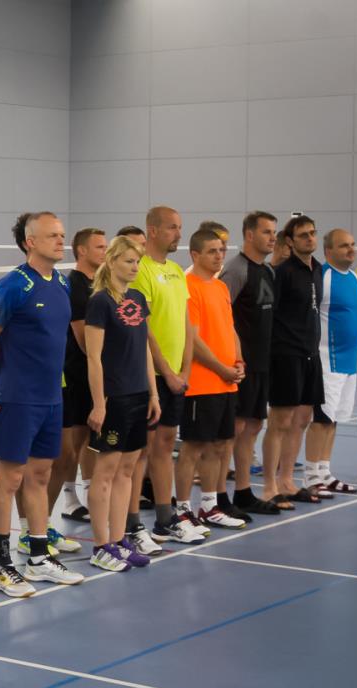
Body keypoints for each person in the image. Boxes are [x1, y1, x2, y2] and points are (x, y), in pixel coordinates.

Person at [0, 212, 85, 596]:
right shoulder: (13, 285)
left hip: (50, 397)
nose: (62, 241)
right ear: (30, 242)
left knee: (41, 476)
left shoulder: (60, 282)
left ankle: (39, 557)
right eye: (53, 236)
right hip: (17, 397)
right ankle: (2, 564)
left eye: (62, 235)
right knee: (9, 479)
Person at [83, 235, 160, 571]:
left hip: (138, 394)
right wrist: (99, 403)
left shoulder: (139, 299)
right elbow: (94, 358)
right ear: (112, 261)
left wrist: (153, 392)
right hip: (114, 398)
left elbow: (143, 348)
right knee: (105, 472)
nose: (135, 267)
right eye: (129, 261)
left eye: (138, 261)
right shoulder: (100, 302)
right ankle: (101, 546)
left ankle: (118, 540)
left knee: (127, 471)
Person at [133, 206, 203, 544]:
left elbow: (188, 324)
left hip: (177, 374)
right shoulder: (141, 270)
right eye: (173, 228)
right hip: (152, 376)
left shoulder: (176, 270)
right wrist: (165, 373)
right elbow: (145, 329)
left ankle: (165, 518)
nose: (178, 233)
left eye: (180, 227)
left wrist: (185, 369)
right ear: (154, 231)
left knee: (163, 446)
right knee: (141, 451)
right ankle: (132, 523)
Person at [176, 230, 247, 530]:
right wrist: (220, 368)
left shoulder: (220, 287)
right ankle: (182, 509)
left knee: (220, 445)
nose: (219, 255)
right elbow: (192, 337)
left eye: (221, 250)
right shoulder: (187, 287)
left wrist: (238, 361)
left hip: (226, 381)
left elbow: (229, 329)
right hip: (202, 383)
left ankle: (209, 506)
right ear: (195, 255)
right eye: (212, 251)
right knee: (194, 448)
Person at [261, 215, 324, 511]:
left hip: (311, 353)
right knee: (280, 421)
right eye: (303, 235)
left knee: (302, 419)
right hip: (286, 354)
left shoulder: (318, 269)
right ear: (291, 241)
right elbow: (270, 316)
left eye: (312, 234)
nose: (310, 239)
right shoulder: (282, 272)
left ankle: (287, 479)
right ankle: (270, 485)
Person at [220, 211, 279, 517]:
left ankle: (243, 492)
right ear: (249, 235)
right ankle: (218, 496)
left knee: (253, 425)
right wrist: (233, 358)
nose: (273, 238)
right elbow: (220, 316)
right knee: (235, 426)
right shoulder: (236, 270)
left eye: (274, 232)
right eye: (267, 232)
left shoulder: (267, 271)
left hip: (262, 363)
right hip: (240, 364)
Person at [52, 227, 106, 526]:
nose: (105, 251)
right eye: (100, 247)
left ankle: (85, 493)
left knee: (89, 439)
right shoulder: (73, 285)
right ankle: (69, 498)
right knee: (70, 445)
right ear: (82, 251)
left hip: (93, 375)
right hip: (73, 372)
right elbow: (84, 340)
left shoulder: (99, 285)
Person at [307, 228, 357, 495]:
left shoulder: (355, 277)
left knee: (334, 419)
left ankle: (325, 471)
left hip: (350, 363)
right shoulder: (323, 278)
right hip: (327, 361)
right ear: (328, 251)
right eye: (344, 246)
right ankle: (310, 476)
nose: (351, 250)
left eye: (352, 245)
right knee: (321, 418)